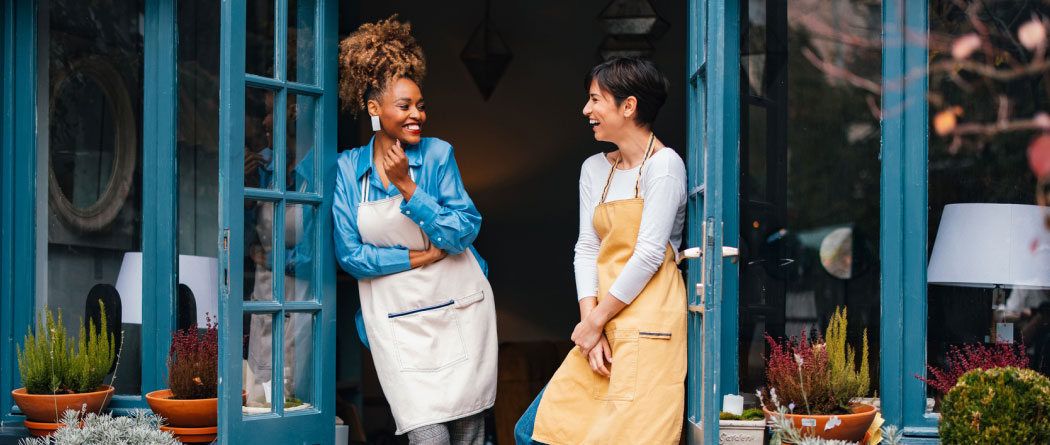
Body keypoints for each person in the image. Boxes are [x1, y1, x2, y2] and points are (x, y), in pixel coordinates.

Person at [332, 16, 497, 445]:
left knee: (468, 436)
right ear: (374, 109)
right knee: (429, 437)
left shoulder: (438, 155)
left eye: (419, 105)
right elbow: (349, 254)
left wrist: (409, 187)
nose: (417, 114)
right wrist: (417, 257)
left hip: (458, 312)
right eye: (404, 105)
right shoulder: (350, 168)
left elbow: (463, 231)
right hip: (396, 320)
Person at [515, 57, 688, 445]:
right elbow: (586, 247)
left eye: (595, 100)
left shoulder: (665, 167)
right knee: (535, 432)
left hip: (650, 322)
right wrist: (591, 324)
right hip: (603, 319)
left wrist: (593, 325)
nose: (586, 110)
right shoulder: (594, 168)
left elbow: (647, 255)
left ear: (628, 106)